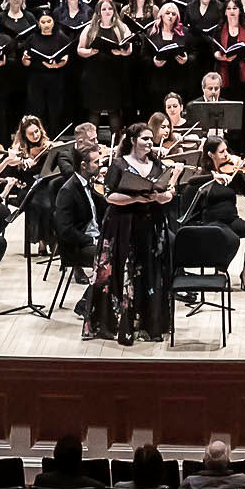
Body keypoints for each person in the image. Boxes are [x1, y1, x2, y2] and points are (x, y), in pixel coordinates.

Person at [81, 118, 176, 344]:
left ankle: (148, 324)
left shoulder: (157, 163)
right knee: (124, 272)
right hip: (123, 226)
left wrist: (158, 196)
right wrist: (136, 196)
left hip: (151, 225)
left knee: (150, 272)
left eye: (151, 139)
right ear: (133, 140)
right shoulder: (119, 165)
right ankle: (119, 324)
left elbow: (169, 193)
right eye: (145, 139)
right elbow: (109, 196)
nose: (149, 143)